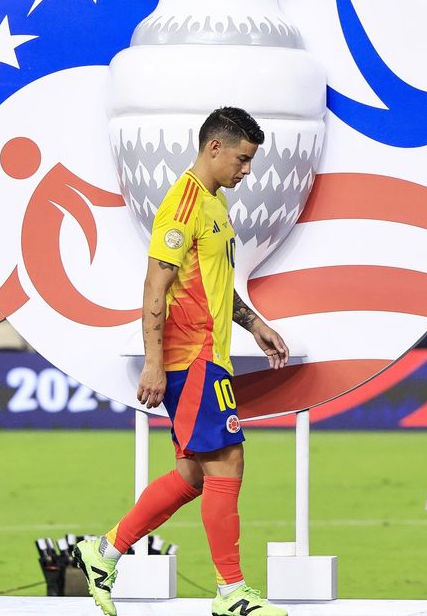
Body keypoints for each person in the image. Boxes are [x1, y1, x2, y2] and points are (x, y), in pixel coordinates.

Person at [73, 108, 289, 616]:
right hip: (191, 360)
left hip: (208, 356)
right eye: (242, 159)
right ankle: (230, 590)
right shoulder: (184, 202)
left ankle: (102, 551)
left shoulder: (215, 205)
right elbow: (156, 284)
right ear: (214, 147)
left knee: (194, 474)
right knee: (227, 462)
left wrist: (255, 325)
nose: (246, 171)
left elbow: (216, 285)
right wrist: (153, 361)